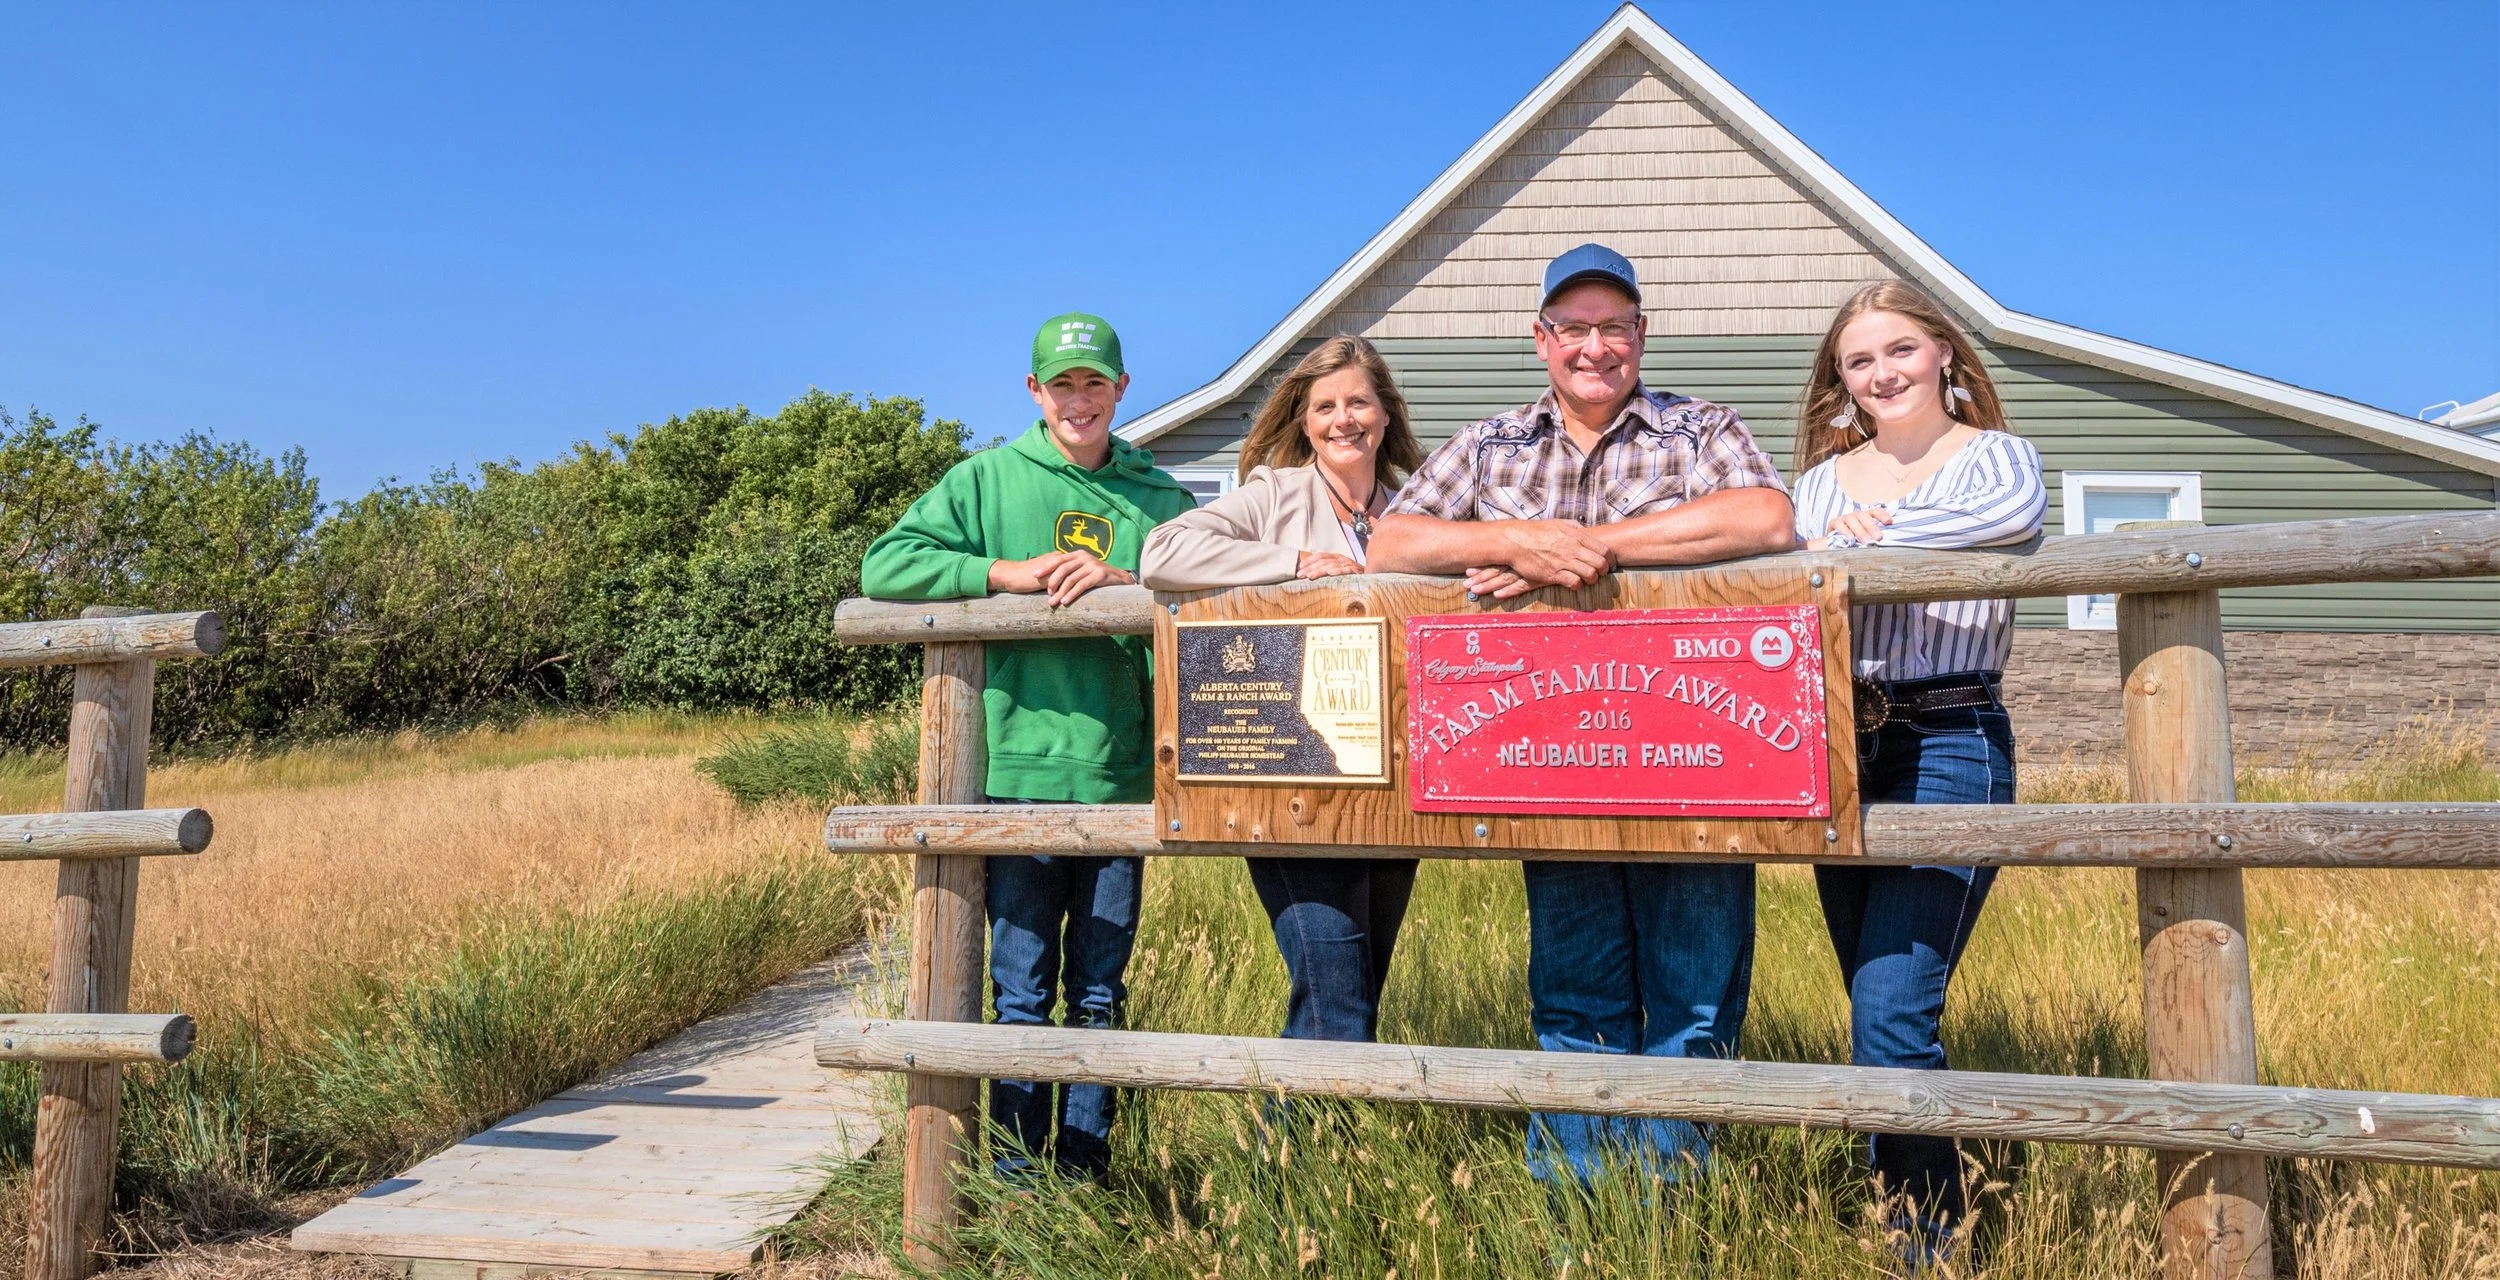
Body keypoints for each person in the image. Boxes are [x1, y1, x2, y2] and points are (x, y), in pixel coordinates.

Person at [1367, 244, 1796, 1186]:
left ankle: (1670, 1207)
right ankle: (1572, 1206)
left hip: (1695, 759)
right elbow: (1392, 541)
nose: (1594, 347)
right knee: (1574, 988)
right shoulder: (1492, 444)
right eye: (1574, 329)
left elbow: (1766, 517)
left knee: (1692, 998)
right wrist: (1513, 538)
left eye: (1614, 328)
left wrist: (1582, 547)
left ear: (1640, 336)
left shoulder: (1699, 430)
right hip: (1550, 757)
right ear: (1542, 341)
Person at [859, 312, 1196, 1182]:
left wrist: (1137, 581)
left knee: (1098, 993)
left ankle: (1083, 1174)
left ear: (1122, 388)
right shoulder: (986, 480)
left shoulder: (1159, 499)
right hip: (1016, 773)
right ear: (1033, 390)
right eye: (1061, 383)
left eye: (1094, 383)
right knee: (1020, 991)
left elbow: (1210, 596)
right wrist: (1000, 573)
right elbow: (885, 566)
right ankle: (1017, 1181)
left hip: (1126, 777)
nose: (1077, 399)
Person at [1790, 280, 2046, 1255]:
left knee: (1895, 1004)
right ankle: (1903, 1215)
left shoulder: (1993, 459)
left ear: (1942, 352)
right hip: (1840, 746)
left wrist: (1862, 546)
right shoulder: (1820, 481)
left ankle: (1925, 1248)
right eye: (1859, 360)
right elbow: (1785, 567)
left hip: (1948, 737)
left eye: (1899, 349)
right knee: (1872, 1002)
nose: (1882, 372)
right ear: (1841, 381)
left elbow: (2008, 519)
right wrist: (1821, 548)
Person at [1139, 335, 1427, 1044]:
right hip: (1294, 771)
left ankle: (1313, 1148)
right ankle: (1292, 1148)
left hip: (1393, 775)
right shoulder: (1276, 493)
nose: (1343, 419)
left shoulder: (1419, 504)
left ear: (1386, 413)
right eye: (1324, 406)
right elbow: (1161, 553)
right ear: (1303, 422)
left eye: (1359, 401)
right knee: (1334, 990)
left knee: (1361, 985)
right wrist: (1292, 562)